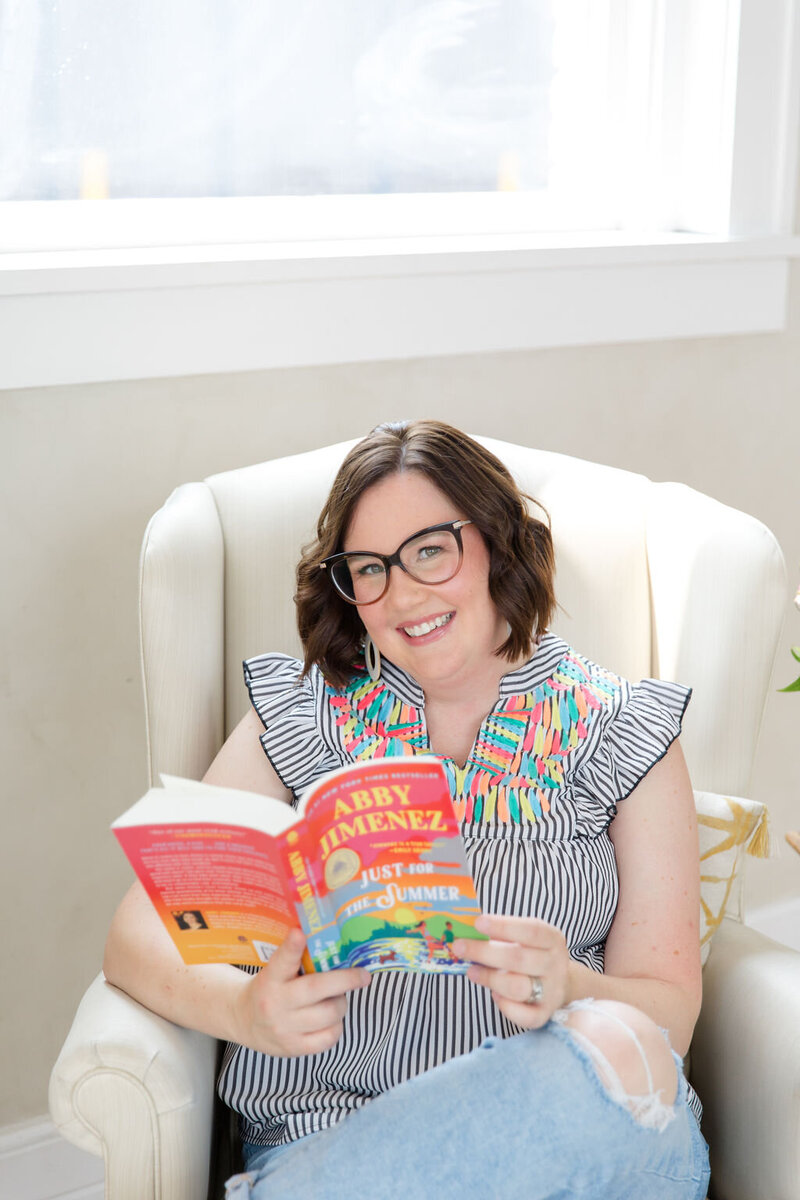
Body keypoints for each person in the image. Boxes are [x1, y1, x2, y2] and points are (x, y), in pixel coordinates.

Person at [104, 420, 711, 1199]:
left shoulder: (623, 729)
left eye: (431, 549)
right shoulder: (303, 711)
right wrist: (248, 1011)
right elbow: (136, 936)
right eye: (369, 569)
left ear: (500, 544)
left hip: (578, 1143)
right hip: (334, 1144)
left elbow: (670, 1015)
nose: (403, 594)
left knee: (608, 1052)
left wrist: (566, 987)